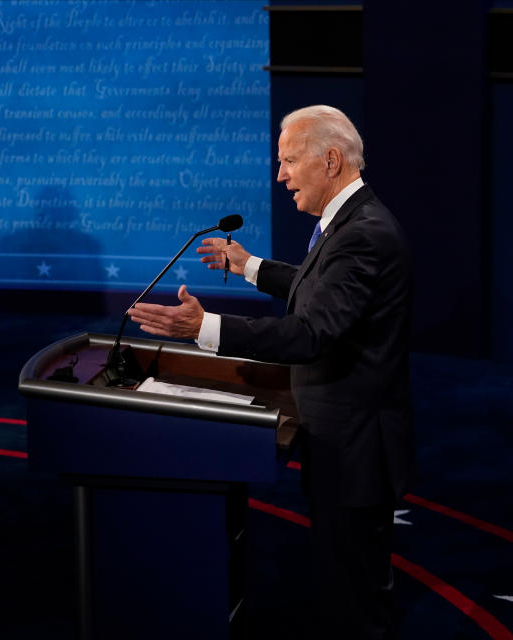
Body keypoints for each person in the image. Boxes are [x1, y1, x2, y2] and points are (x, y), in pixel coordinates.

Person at [127, 105, 413, 639]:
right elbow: (319, 289)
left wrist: (204, 328)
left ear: (330, 161)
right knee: (345, 583)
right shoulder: (354, 220)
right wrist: (249, 266)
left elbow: (313, 333)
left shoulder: (362, 235)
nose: (280, 176)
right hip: (344, 437)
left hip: (355, 448)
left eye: (288, 162)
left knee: (355, 598)